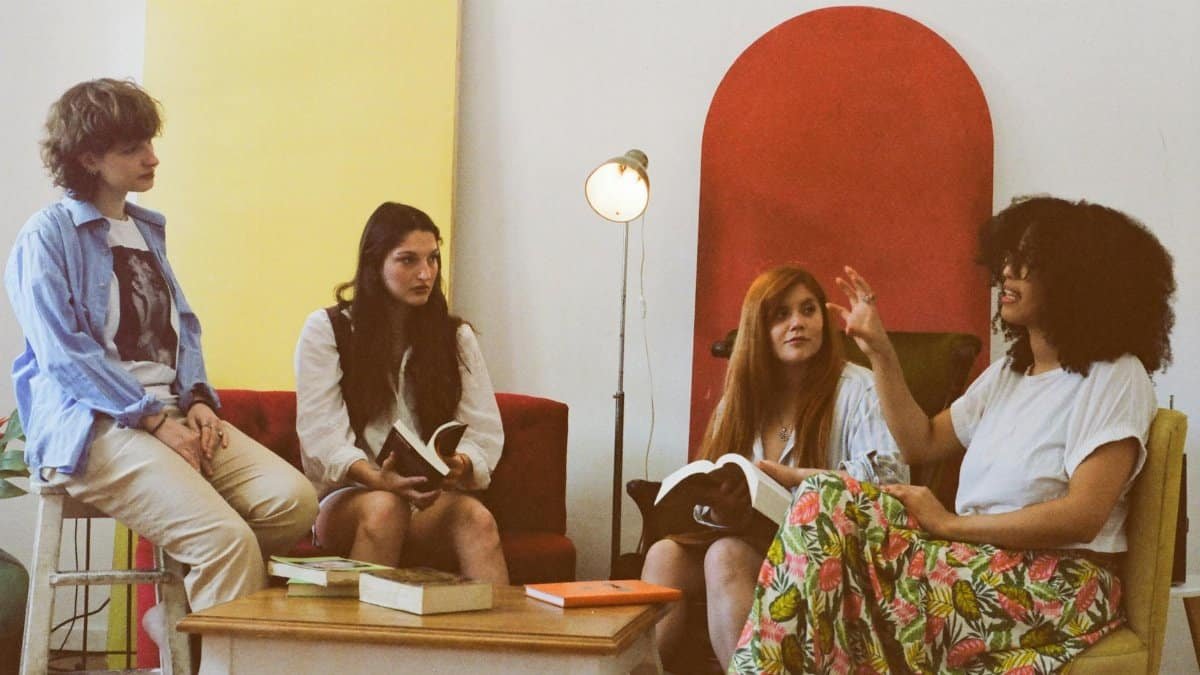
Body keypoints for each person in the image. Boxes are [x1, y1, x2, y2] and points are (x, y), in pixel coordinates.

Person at [730, 196, 1176, 674]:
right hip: (973, 558)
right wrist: (879, 350)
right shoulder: (1009, 374)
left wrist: (948, 525)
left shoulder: (1115, 376)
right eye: (1007, 258)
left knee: (847, 587)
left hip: (1059, 581)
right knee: (824, 495)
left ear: (1075, 279)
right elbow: (920, 441)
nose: (1007, 272)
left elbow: (1082, 516)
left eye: (1027, 262)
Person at [5, 79, 318, 672]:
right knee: (223, 541)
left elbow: (182, 329)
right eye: (132, 147)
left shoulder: (146, 229)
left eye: (149, 140)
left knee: (294, 502)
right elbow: (64, 354)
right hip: (93, 425)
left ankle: (184, 621)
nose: (152, 156)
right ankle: (219, 659)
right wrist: (150, 417)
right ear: (88, 157)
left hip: (168, 410)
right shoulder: (47, 236)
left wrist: (196, 400)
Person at [640, 265, 905, 669]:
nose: (797, 323)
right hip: (756, 541)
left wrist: (804, 482)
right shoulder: (739, 402)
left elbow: (891, 479)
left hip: (825, 552)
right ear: (757, 330)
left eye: (808, 310)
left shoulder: (858, 389)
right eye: (780, 315)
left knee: (725, 556)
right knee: (665, 555)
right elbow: (711, 481)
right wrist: (716, 508)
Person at [295, 202, 508, 584]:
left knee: (478, 519)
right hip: (351, 498)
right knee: (384, 509)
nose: (425, 274)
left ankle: (499, 643)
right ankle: (363, 643)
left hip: (426, 500)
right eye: (407, 260)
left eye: (433, 260)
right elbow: (321, 439)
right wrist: (378, 478)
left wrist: (457, 463)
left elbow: (484, 430)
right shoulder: (328, 330)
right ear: (375, 265)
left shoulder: (453, 336)